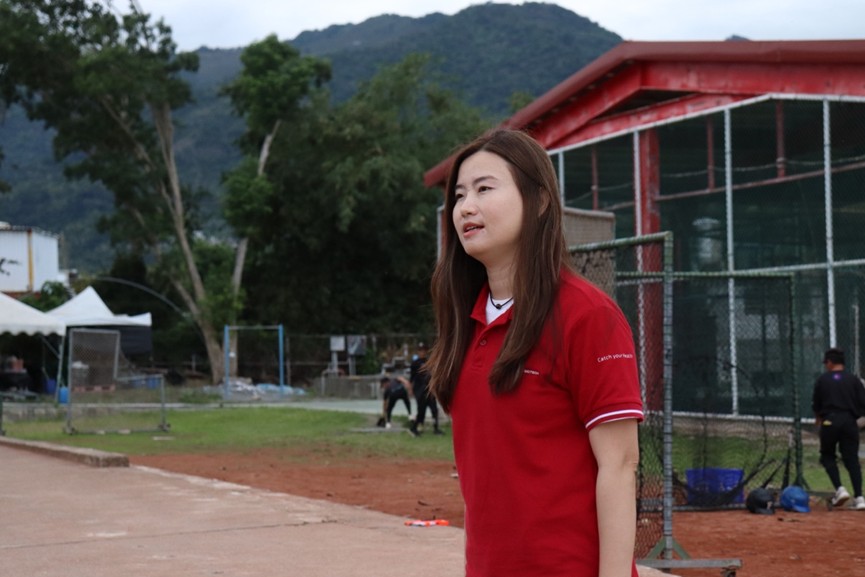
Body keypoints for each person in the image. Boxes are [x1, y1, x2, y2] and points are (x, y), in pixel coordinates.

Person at [426, 128, 644, 577]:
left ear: (540, 200)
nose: (465, 207)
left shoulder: (587, 316)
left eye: (484, 189)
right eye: (459, 195)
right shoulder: (466, 321)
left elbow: (620, 464)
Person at [811, 347, 865, 510]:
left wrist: (819, 420)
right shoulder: (854, 380)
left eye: (826, 363)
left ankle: (840, 490)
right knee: (851, 459)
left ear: (830, 362)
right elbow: (862, 403)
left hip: (830, 421)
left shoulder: (823, 380)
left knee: (827, 455)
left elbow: (816, 404)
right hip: (849, 422)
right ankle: (859, 497)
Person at [409, 344, 443, 436]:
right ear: (418, 352)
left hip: (429, 390)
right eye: (421, 350)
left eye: (424, 350)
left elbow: (433, 375)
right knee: (421, 411)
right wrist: (411, 389)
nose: (422, 352)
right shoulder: (415, 363)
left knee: (434, 410)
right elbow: (411, 378)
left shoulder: (430, 361)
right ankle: (414, 428)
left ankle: (436, 428)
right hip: (420, 390)